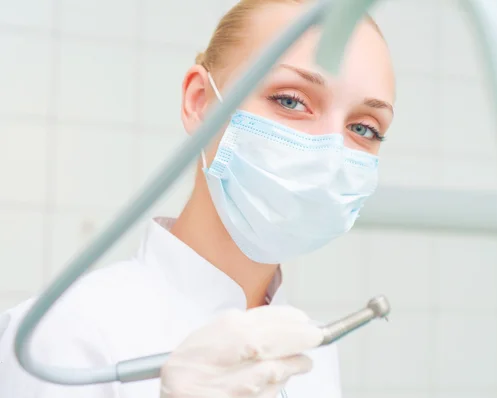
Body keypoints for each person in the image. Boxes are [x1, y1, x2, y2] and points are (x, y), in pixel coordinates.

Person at [0, 0, 395, 397]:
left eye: (364, 128)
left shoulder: (313, 352)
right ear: (200, 102)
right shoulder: (63, 336)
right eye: (290, 100)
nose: (328, 155)